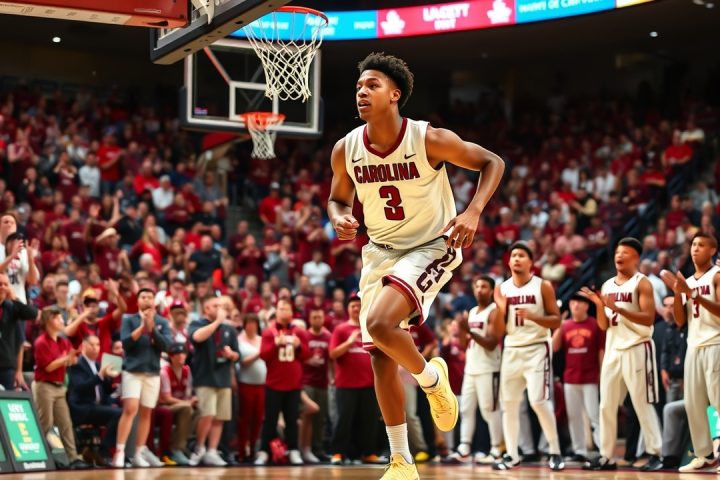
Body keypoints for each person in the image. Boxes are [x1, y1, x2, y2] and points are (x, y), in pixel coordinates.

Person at [327, 52, 504, 479]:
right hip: (380, 251)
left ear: (395, 94)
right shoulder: (346, 149)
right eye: (359, 86)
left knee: (380, 323)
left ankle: (432, 383)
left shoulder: (428, 139)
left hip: (431, 244)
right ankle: (402, 462)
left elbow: (492, 162)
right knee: (380, 356)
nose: (362, 92)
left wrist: (473, 211)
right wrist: (339, 217)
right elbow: (337, 198)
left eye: (372, 85)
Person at [580, 237, 663, 471]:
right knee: (606, 405)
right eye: (617, 252)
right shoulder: (607, 285)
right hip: (613, 348)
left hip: (637, 346)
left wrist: (618, 308)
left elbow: (648, 318)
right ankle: (606, 456)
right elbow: (604, 325)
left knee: (642, 403)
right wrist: (599, 305)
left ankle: (656, 453)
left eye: (625, 252)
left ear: (636, 258)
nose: (619, 256)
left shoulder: (642, 283)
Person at [493, 242, 564, 471]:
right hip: (512, 349)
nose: (516, 259)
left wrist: (534, 316)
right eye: (513, 255)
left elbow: (556, 320)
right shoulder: (501, 289)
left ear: (531, 262)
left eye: (521, 255)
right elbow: (498, 331)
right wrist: (501, 309)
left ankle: (555, 450)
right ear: (509, 261)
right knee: (509, 404)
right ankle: (512, 455)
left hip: (537, 348)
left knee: (538, 401)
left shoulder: (543, 286)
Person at [660, 233, 720, 472]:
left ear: (712, 250)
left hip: (715, 343)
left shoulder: (717, 275)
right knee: (694, 404)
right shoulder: (687, 282)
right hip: (693, 346)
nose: (695, 249)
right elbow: (680, 320)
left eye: (701, 245)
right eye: (693, 244)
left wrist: (692, 293)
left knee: (718, 401)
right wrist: (678, 292)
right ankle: (705, 455)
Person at [112, 288, 173, 468]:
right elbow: (126, 343)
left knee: (146, 413)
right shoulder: (129, 319)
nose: (146, 300)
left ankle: (139, 453)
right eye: (143, 297)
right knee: (130, 409)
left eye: (150, 297)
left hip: (152, 371)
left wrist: (152, 328)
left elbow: (166, 346)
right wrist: (143, 326)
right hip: (132, 371)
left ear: (154, 302)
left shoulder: (162, 322)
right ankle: (120, 452)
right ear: (138, 301)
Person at [32, 306, 90, 469]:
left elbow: (69, 362)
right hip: (44, 386)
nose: (62, 320)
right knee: (47, 424)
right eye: (58, 318)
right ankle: (47, 458)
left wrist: (73, 358)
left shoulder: (63, 341)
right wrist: (67, 358)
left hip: (59, 387)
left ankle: (73, 458)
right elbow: (49, 367)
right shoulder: (41, 342)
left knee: (65, 424)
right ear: (48, 320)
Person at [454, 275, 503, 464]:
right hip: (471, 368)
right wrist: (462, 330)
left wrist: (469, 331)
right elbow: (463, 344)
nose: (479, 290)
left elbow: (491, 343)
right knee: (466, 409)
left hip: (488, 368)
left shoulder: (495, 312)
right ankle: (464, 447)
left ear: (491, 291)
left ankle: (496, 448)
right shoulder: (473, 311)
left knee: (489, 410)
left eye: (484, 286)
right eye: (477, 286)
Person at [256, 298, 310, 466]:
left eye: (286, 309)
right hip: (273, 384)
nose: (283, 311)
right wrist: (275, 345)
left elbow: (307, 355)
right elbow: (263, 355)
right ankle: (264, 451)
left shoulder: (299, 332)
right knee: (270, 420)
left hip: (293, 384)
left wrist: (299, 346)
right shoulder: (269, 332)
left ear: (291, 312)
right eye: (280, 308)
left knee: (292, 420)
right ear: (276, 311)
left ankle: (293, 450)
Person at [187, 296, 240, 467]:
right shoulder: (197, 323)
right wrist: (217, 322)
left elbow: (237, 354)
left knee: (220, 417)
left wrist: (231, 355)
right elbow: (197, 337)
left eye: (220, 306)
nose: (219, 308)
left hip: (223, 378)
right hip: (205, 377)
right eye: (215, 306)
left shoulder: (229, 329)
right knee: (207, 414)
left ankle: (212, 450)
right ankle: (199, 448)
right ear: (206, 309)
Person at [551, 293, 604, 462]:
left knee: (594, 416)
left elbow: (601, 350)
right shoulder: (565, 325)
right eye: (573, 302)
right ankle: (579, 450)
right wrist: (559, 325)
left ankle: (603, 450)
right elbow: (554, 347)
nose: (575, 305)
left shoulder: (595, 324)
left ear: (586, 306)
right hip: (570, 377)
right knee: (574, 417)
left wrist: (602, 373)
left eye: (579, 303)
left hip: (590, 377)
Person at [329, 295, 381, 465]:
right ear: (348, 309)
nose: (356, 308)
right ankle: (337, 453)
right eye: (353, 306)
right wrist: (349, 342)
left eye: (359, 305)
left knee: (369, 420)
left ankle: (368, 453)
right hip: (345, 384)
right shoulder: (340, 330)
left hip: (369, 383)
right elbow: (332, 354)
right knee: (343, 419)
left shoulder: (370, 328)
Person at [67, 334, 122, 465]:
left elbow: (104, 390)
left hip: (96, 406)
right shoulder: (77, 364)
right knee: (119, 414)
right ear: (83, 346)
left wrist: (114, 386)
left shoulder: (97, 365)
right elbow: (81, 388)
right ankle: (103, 451)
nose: (95, 348)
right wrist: (100, 375)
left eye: (98, 345)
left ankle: (114, 452)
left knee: (125, 412)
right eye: (92, 345)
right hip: (82, 407)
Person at [300, 306, 331, 463]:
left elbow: (331, 359)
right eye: (314, 317)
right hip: (307, 382)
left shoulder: (328, 336)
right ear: (309, 319)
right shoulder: (305, 335)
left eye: (320, 317)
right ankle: (304, 449)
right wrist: (309, 360)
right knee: (307, 416)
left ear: (324, 318)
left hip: (323, 382)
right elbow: (299, 357)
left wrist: (332, 378)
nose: (317, 320)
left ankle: (317, 449)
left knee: (320, 419)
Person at [158, 342, 196, 466]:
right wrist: (187, 402)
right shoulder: (164, 372)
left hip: (181, 404)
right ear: (171, 356)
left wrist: (193, 399)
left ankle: (186, 444)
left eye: (183, 354)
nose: (181, 357)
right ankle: (176, 448)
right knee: (187, 408)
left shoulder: (187, 370)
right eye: (177, 354)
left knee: (201, 411)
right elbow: (166, 398)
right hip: (165, 406)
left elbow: (188, 394)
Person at [236, 313, 266, 462]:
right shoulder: (239, 340)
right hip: (246, 383)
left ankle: (254, 449)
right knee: (245, 419)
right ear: (244, 325)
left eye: (254, 323)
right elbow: (242, 362)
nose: (252, 326)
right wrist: (258, 354)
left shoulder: (262, 339)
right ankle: (242, 450)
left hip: (261, 384)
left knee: (258, 419)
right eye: (249, 323)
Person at [0, 272, 38, 390]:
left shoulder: (11, 307)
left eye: (6, 284)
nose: (3, 287)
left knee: (6, 400)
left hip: (6, 366)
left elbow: (32, 314)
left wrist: (14, 297)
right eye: (0, 284)